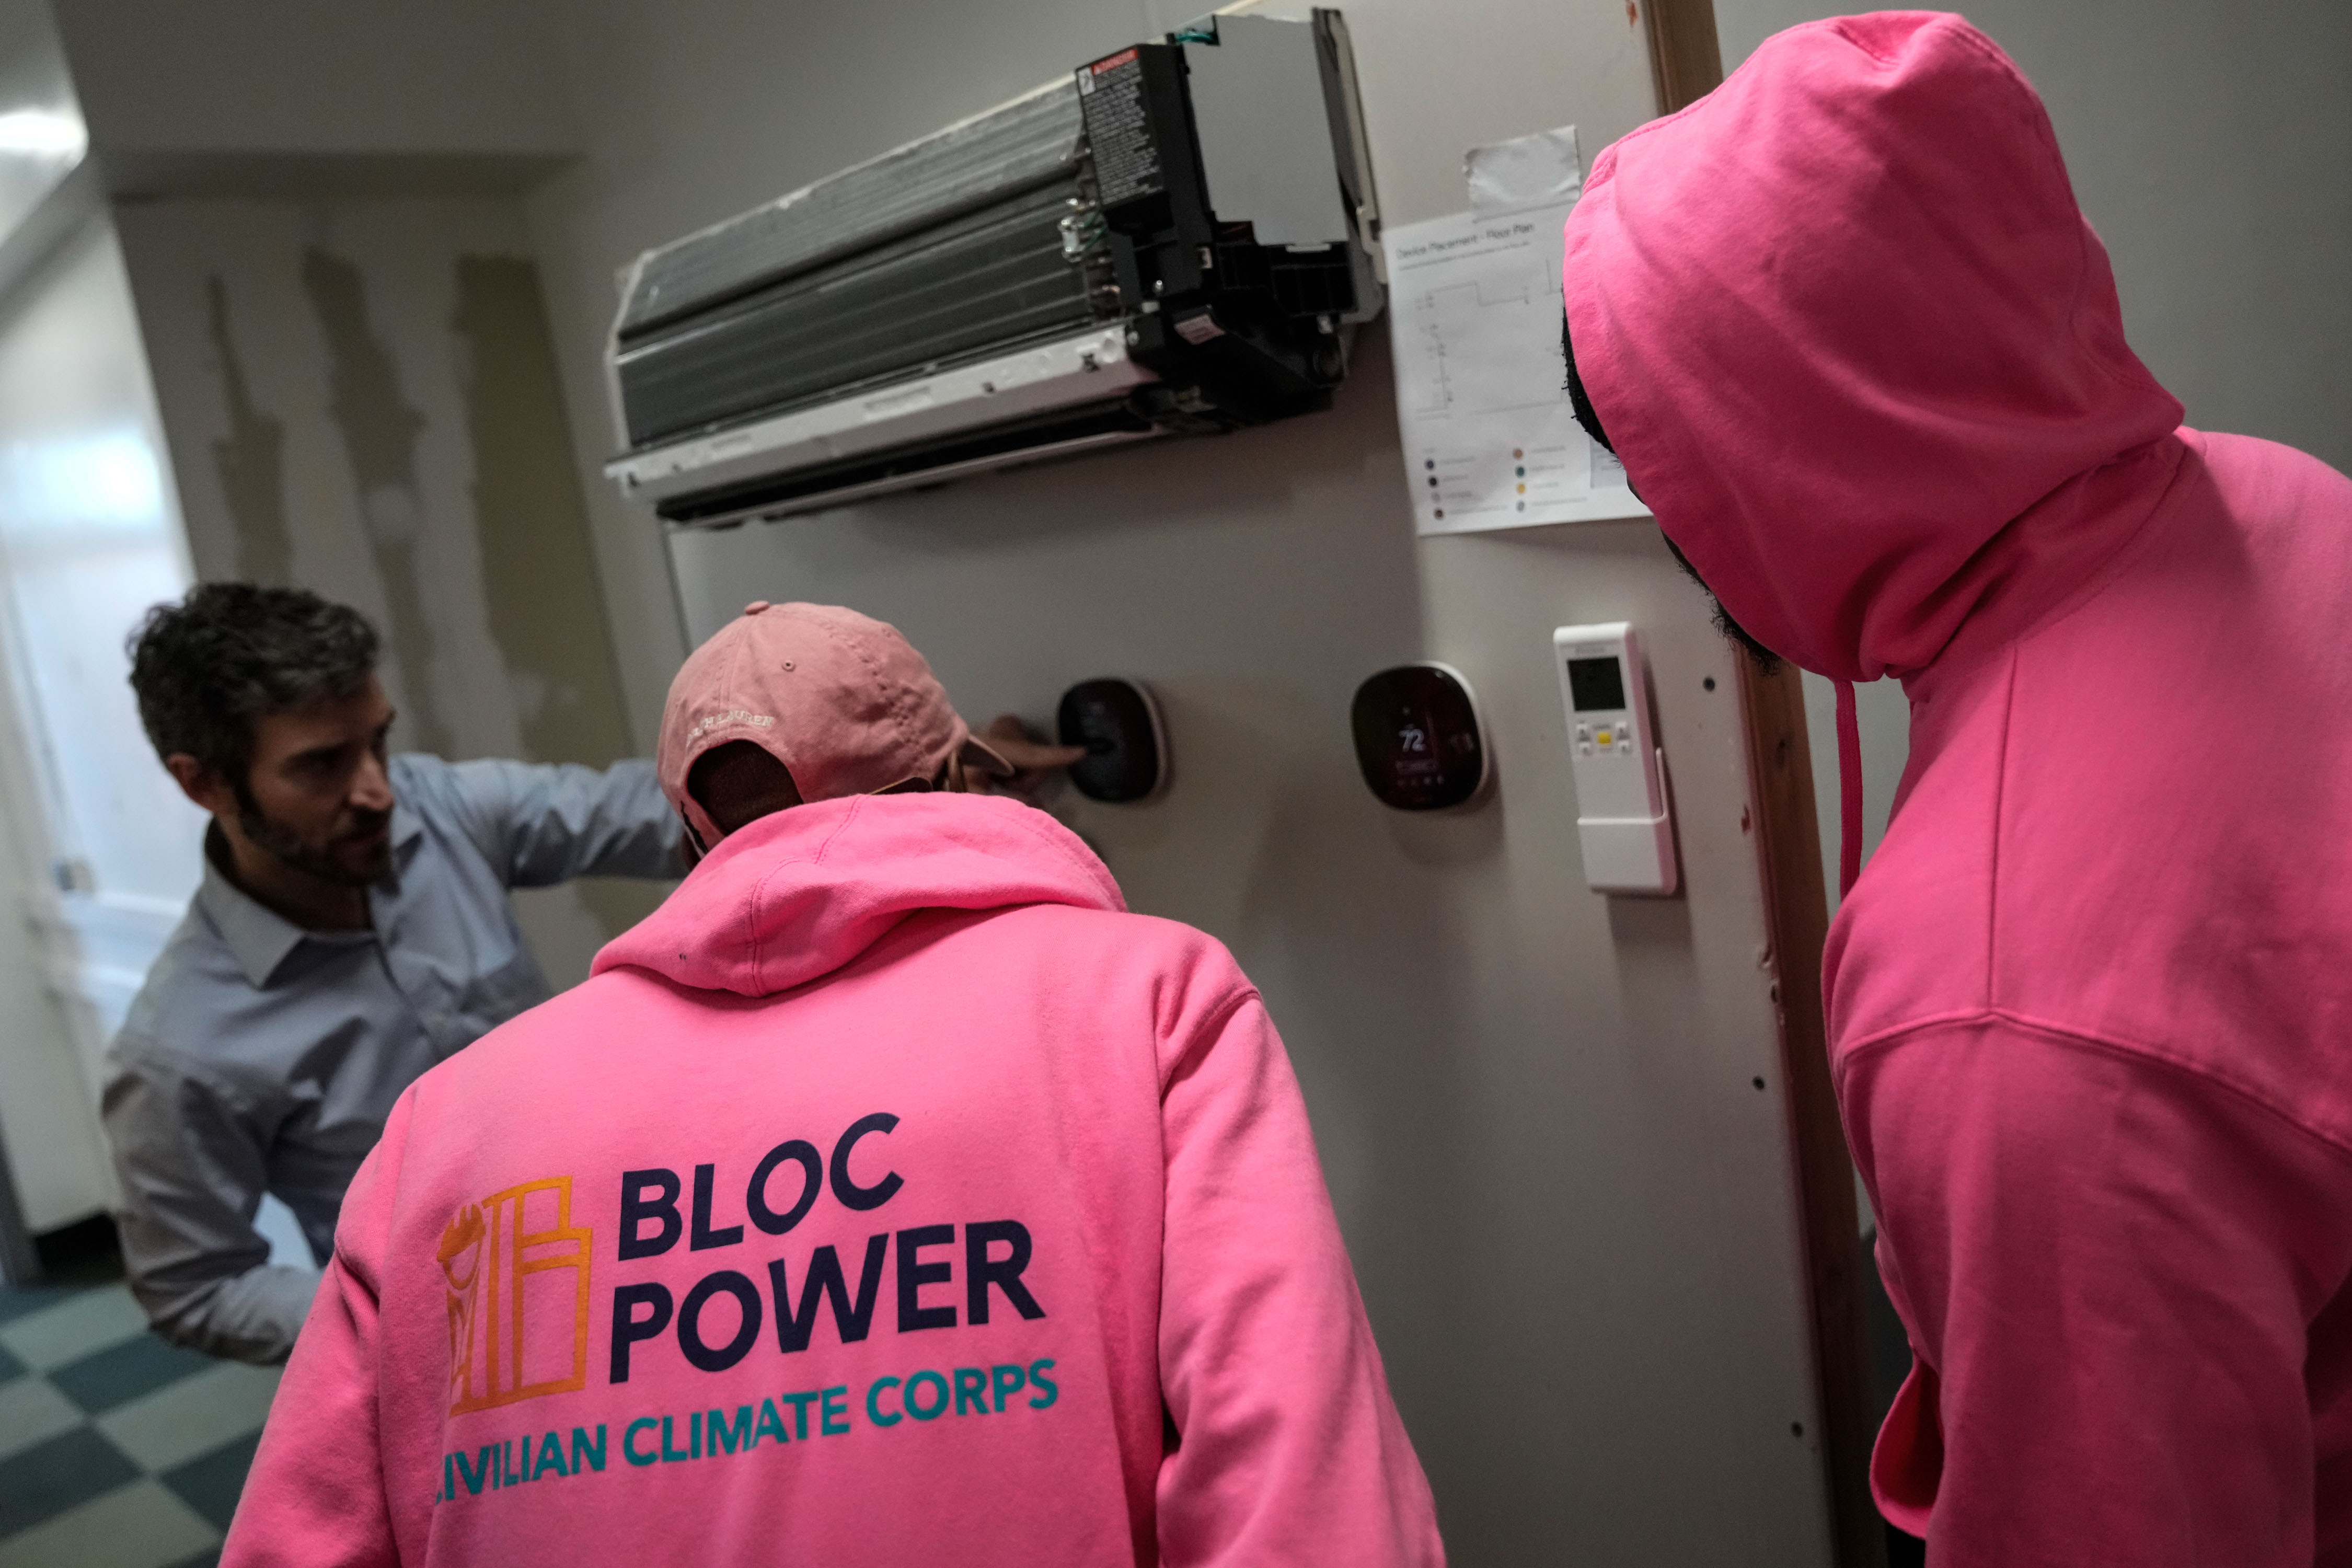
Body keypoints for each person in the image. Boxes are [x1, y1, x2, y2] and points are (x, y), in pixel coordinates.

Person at [1560, 12, 2352, 1565]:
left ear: (1778, 448)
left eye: (1672, 469)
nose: (1675, 533)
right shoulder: (2268, 494)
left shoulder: (2000, 1010)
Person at [221, 599, 1442, 1566]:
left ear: (690, 833)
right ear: (962, 776)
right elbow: (1300, 1496)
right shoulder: (1149, 1002)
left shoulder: (448, 1122)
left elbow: (302, 1540)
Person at [108, 583, 686, 1364]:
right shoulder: (181, 1045)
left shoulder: (439, 808)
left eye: (376, 742)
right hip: (463, 1371)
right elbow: (194, 1288)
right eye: (322, 766)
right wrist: (416, 1313)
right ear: (202, 783)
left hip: (645, 1247)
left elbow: (660, 815)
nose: (378, 790)